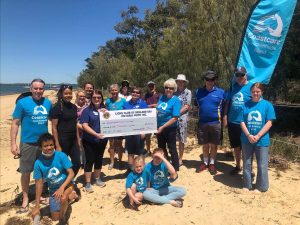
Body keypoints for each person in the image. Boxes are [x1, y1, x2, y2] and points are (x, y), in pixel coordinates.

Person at [10, 78, 52, 213]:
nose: (38, 91)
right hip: (27, 143)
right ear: (30, 89)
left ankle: (41, 194)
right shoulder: (22, 103)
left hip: (44, 144)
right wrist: (13, 144)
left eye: (41, 88)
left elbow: (53, 119)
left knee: (43, 170)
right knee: (26, 172)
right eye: (36, 88)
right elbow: (15, 123)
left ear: (43, 89)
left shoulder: (47, 103)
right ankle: (26, 198)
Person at [31, 133, 77, 223]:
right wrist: (37, 206)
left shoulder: (61, 155)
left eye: (51, 145)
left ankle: (62, 219)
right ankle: (72, 196)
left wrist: (62, 188)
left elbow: (71, 173)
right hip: (53, 189)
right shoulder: (38, 163)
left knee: (63, 199)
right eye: (45, 146)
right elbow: (38, 184)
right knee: (54, 218)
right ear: (41, 148)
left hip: (68, 184)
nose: (49, 148)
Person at [238, 83, 276, 193]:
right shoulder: (245, 105)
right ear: (251, 92)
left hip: (262, 140)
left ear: (262, 92)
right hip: (246, 139)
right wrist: (249, 135)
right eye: (254, 91)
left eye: (258, 91)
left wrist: (258, 136)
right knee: (247, 162)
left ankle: (261, 186)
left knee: (262, 164)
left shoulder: (267, 105)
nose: (255, 93)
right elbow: (241, 121)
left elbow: (269, 123)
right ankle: (247, 184)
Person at [194, 71, 225, 174]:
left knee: (214, 144)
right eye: (208, 79)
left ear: (215, 80)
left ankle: (212, 163)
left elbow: (225, 107)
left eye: (212, 79)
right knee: (205, 144)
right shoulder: (198, 92)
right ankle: (205, 162)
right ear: (204, 80)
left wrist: (225, 119)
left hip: (216, 122)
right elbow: (197, 106)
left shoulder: (221, 92)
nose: (210, 81)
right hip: (202, 122)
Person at [223, 67, 253, 175]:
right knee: (236, 146)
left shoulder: (251, 87)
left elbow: (257, 103)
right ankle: (237, 166)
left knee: (246, 146)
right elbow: (227, 103)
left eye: (242, 75)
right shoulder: (233, 87)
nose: (239, 77)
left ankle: (248, 169)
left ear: (246, 75)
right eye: (237, 75)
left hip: (245, 123)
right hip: (232, 121)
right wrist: (225, 116)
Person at [80, 90, 108, 193]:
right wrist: (96, 134)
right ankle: (87, 182)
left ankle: (97, 179)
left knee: (99, 159)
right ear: (91, 99)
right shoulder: (87, 111)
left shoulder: (105, 110)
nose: (96, 99)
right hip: (89, 140)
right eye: (94, 97)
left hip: (102, 140)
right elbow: (84, 125)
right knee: (89, 160)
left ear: (102, 99)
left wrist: (107, 114)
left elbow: (112, 122)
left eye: (99, 97)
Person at [50, 84, 81, 177]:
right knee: (61, 165)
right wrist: (57, 145)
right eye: (66, 93)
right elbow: (54, 127)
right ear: (61, 94)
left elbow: (75, 124)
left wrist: (78, 139)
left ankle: (69, 180)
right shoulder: (57, 107)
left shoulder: (74, 107)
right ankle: (61, 183)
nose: (68, 95)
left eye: (70, 93)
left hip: (73, 140)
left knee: (77, 163)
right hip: (62, 141)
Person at [156, 78, 181, 171]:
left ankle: (175, 169)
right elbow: (158, 110)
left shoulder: (176, 100)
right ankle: (165, 166)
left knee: (172, 149)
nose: (168, 90)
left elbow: (175, 117)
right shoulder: (162, 97)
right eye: (166, 87)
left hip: (170, 128)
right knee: (161, 148)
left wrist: (163, 127)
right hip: (159, 128)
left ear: (174, 89)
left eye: (171, 88)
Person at [123, 87, 148, 172]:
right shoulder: (126, 104)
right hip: (129, 131)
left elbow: (146, 118)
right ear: (131, 93)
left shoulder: (143, 103)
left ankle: (142, 169)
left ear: (140, 94)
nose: (135, 94)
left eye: (137, 93)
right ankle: (130, 169)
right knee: (130, 152)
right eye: (134, 92)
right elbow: (122, 117)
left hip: (139, 132)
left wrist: (143, 131)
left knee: (140, 153)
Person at [105, 84, 126, 170]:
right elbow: (105, 113)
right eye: (112, 90)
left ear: (118, 91)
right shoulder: (108, 101)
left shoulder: (123, 101)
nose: (114, 92)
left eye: (115, 90)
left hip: (120, 126)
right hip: (110, 127)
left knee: (120, 145)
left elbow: (127, 113)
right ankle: (112, 161)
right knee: (112, 145)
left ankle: (120, 161)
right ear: (110, 91)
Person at [174, 74, 192, 167]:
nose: (180, 83)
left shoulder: (188, 92)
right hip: (173, 119)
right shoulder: (173, 92)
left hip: (182, 118)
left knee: (181, 139)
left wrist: (176, 113)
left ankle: (180, 158)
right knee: (173, 139)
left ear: (184, 83)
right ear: (176, 82)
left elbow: (187, 106)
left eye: (182, 81)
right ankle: (174, 157)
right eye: (178, 81)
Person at [144, 81, 160, 155]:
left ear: (154, 86)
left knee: (159, 135)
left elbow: (160, 105)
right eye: (149, 86)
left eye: (152, 86)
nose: (151, 88)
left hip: (158, 117)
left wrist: (150, 105)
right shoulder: (145, 96)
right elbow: (143, 105)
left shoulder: (158, 95)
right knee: (148, 136)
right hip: (148, 118)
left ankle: (159, 151)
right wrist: (153, 105)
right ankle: (148, 150)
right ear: (148, 87)